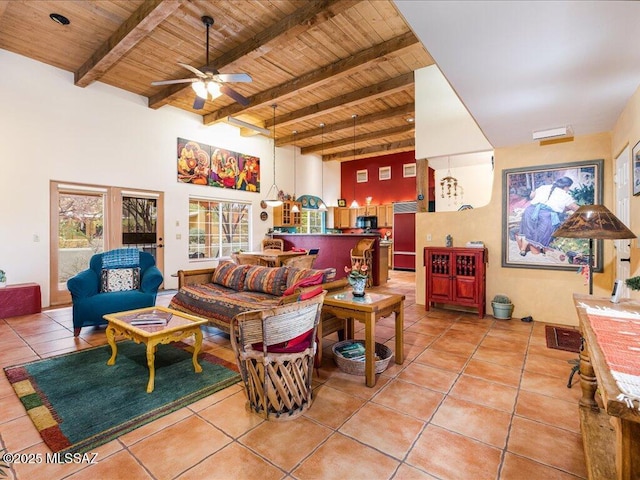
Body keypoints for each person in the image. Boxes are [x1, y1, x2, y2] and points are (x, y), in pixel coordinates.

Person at [517, 176, 579, 256]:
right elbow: (574, 207)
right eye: (568, 188)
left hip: (530, 211)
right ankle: (539, 252)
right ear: (566, 186)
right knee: (542, 233)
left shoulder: (544, 187)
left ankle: (523, 249)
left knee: (528, 231)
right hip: (545, 216)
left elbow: (532, 196)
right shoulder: (565, 196)